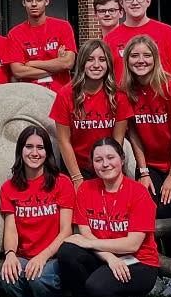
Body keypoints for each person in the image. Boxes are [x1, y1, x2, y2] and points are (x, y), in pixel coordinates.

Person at [53, 138, 159, 297]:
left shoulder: (138, 193)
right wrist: (110, 258)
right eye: (98, 160)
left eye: (111, 157)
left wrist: (91, 244)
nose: (105, 164)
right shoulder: (86, 189)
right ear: (92, 164)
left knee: (98, 289)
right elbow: (85, 233)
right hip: (106, 257)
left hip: (139, 261)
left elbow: (132, 244)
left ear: (122, 159)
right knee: (68, 250)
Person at [114, 35, 171, 253]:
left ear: (155, 58)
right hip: (151, 162)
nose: (141, 60)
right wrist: (144, 170)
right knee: (147, 210)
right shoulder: (126, 90)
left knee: (167, 211)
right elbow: (133, 132)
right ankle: (155, 263)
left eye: (147, 55)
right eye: (135, 56)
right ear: (127, 60)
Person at [0, 126, 75, 297]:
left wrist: (43, 256)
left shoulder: (62, 183)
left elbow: (66, 230)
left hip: (53, 257)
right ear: (20, 151)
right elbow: (11, 228)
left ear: (48, 152)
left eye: (40, 147)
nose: (34, 152)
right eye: (28, 146)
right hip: (25, 256)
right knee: (7, 277)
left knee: (39, 277)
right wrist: (11, 254)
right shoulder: (8, 187)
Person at [51, 40, 125, 187]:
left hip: (107, 164)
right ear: (82, 63)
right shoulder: (65, 94)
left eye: (102, 59)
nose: (96, 65)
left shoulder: (118, 95)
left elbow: (118, 141)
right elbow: (63, 141)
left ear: (108, 64)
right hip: (76, 167)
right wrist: (77, 179)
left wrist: (112, 171)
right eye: (90, 59)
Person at [104, 0, 171, 72]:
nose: (135, 3)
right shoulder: (110, 38)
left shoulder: (167, 32)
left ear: (148, 1)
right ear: (121, 3)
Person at [8, 0, 77, 86]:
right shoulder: (15, 33)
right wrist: (57, 66)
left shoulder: (63, 27)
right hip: (30, 95)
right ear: (24, 3)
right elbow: (18, 71)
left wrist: (31, 64)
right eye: (29, 0)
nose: (34, 4)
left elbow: (67, 63)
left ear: (47, 1)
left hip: (60, 94)